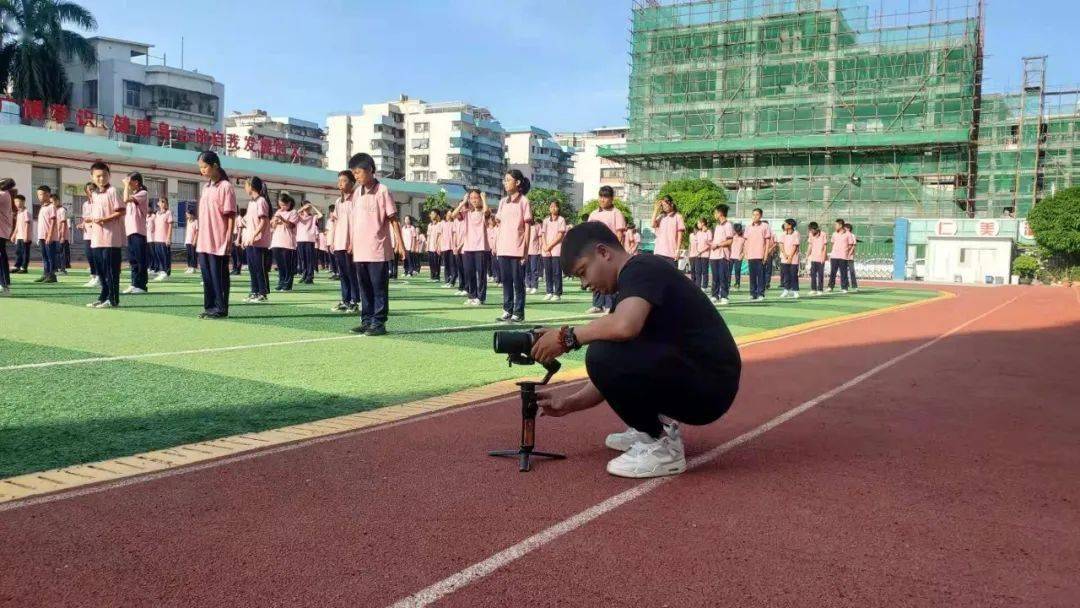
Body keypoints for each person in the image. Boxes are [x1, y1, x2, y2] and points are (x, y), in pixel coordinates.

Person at [530, 222, 741, 478]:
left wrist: (566, 338)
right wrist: (569, 404)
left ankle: (662, 448)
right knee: (604, 350)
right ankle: (648, 429)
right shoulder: (633, 284)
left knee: (600, 350)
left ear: (603, 252)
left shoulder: (642, 268)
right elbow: (613, 370)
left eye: (583, 272)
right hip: (701, 380)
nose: (585, 284)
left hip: (710, 386)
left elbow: (623, 329)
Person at [347, 152, 405, 336]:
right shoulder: (357, 193)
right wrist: (351, 242)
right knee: (364, 288)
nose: (356, 177)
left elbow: (393, 219)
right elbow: (355, 221)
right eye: (354, 173)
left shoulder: (383, 191)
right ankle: (366, 321)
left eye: (358, 172)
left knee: (378, 288)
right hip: (360, 249)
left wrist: (400, 244)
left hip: (378, 248)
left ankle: (379, 323)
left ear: (370, 169)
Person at [194, 151, 237, 319]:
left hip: (218, 239)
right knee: (207, 276)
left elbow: (230, 215)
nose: (202, 170)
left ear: (215, 166)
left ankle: (220, 308)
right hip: (204, 240)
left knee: (218, 276)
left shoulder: (226, 187)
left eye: (204, 167)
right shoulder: (206, 187)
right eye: (200, 167)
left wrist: (228, 239)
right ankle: (210, 306)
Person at [84, 161, 126, 308]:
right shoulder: (94, 194)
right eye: (98, 176)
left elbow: (121, 211)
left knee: (111, 271)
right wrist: (90, 220)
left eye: (104, 175)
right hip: (96, 238)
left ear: (109, 175)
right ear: (92, 177)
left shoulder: (112, 191)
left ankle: (113, 299)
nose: (101, 179)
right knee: (100, 271)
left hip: (110, 239)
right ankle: (103, 296)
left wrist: (104, 219)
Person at [494, 169, 533, 322]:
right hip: (503, 248)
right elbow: (499, 223)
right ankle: (507, 309)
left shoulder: (524, 201)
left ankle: (519, 312)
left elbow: (527, 227)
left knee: (518, 283)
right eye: (504, 180)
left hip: (517, 249)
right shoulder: (503, 202)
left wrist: (525, 251)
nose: (505, 182)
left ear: (517, 183)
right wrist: (497, 245)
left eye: (508, 179)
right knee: (506, 281)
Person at [587, 186, 627, 314]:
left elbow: (620, 233)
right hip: (595, 251)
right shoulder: (594, 214)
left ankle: (610, 304)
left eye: (605, 197)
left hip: (610, 250)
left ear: (611, 198)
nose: (602, 200)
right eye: (601, 196)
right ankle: (597, 304)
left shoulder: (616, 213)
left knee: (609, 279)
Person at [453, 189, 491, 306]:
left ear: (480, 198)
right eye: (472, 198)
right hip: (468, 247)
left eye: (476, 198)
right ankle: (472, 295)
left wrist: (484, 199)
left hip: (481, 247)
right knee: (469, 273)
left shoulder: (484, 211)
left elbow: (487, 213)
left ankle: (481, 297)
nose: (474, 200)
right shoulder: (466, 213)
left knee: (481, 273)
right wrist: (463, 202)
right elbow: (453, 214)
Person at [330, 172, 360, 313]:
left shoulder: (357, 199)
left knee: (352, 273)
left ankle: (355, 301)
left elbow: (358, 223)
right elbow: (335, 222)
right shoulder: (338, 202)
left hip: (351, 243)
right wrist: (332, 241)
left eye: (344, 181)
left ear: (352, 183)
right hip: (339, 242)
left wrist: (353, 242)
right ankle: (345, 300)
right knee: (343, 273)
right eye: (339, 181)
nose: (340, 184)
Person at [242, 176, 273, 303]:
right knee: (252, 268)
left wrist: (254, 235)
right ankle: (254, 291)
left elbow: (264, 221)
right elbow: (250, 223)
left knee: (260, 268)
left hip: (259, 242)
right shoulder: (251, 203)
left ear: (251, 186)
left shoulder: (261, 201)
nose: (245, 188)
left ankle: (263, 293)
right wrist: (246, 238)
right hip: (250, 241)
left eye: (245, 185)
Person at [121, 172, 150, 294]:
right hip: (130, 231)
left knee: (140, 259)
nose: (128, 183)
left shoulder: (143, 193)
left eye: (130, 181)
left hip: (139, 231)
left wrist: (126, 186)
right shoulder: (134, 194)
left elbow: (125, 199)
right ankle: (134, 283)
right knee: (132, 259)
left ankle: (142, 285)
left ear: (136, 182)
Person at [270, 192, 299, 292]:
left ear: (290, 203)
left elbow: (291, 225)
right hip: (276, 242)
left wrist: (282, 219)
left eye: (284, 205)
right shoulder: (278, 211)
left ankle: (288, 285)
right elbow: (272, 226)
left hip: (288, 243)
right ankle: (281, 282)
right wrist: (275, 221)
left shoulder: (293, 212)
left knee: (288, 266)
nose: (282, 207)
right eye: (281, 205)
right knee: (280, 265)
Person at [709, 204, 735, 305]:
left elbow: (730, 241)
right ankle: (715, 295)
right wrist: (712, 245)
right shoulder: (717, 226)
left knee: (723, 277)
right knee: (715, 277)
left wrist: (718, 245)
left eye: (715, 212)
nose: (714, 215)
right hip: (714, 255)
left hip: (723, 255)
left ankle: (724, 296)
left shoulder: (728, 225)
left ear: (720, 213)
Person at [541, 200, 567, 301]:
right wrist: (545, 246)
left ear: (558, 208)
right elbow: (543, 234)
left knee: (557, 272)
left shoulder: (561, 220)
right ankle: (549, 291)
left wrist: (550, 246)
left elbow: (560, 235)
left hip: (556, 250)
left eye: (555, 207)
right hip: (546, 250)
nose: (553, 208)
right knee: (548, 272)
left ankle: (557, 293)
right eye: (551, 206)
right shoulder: (546, 220)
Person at [744, 208, 772, 301]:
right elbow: (746, 241)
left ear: (761, 216)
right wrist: (745, 253)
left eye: (757, 215)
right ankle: (752, 293)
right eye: (753, 214)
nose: (754, 216)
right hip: (751, 255)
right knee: (752, 276)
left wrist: (765, 254)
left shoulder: (765, 226)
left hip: (760, 255)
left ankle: (761, 294)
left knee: (761, 276)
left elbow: (767, 242)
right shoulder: (748, 227)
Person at [650, 195, 684, 266]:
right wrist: (656, 210)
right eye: (662, 205)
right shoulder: (661, 217)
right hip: (659, 252)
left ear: (671, 204)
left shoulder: (678, 217)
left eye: (665, 205)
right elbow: (652, 224)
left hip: (671, 254)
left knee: (671, 276)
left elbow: (680, 235)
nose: (663, 207)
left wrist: (678, 250)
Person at [34, 185, 58, 283]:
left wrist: (49, 235)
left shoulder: (52, 206)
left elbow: (53, 222)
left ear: (47, 194)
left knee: (50, 256)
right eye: (38, 195)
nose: (39, 197)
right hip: (42, 236)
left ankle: (52, 275)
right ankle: (45, 273)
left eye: (41, 194)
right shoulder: (42, 207)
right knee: (44, 256)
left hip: (49, 237)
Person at [76, 184, 97, 285]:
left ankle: (99, 277)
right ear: (86, 192)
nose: (92, 191)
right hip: (87, 233)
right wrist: (82, 224)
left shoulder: (99, 202)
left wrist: (93, 220)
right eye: (90, 190)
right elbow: (85, 218)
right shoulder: (85, 204)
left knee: (96, 255)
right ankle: (93, 276)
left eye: (94, 189)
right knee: (89, 255)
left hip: (98, 233)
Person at [296, 201, 322, 285]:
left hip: (310, 240)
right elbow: (295, 214)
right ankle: (304, 275)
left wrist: (312, 206)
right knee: (302, 260)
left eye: (308, 208)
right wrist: (303, 208)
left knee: (309, 260)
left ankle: (310, 277)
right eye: (306, 208)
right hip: (300, 240)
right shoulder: (299, 216)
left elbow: (320, 215)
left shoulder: (313, 217)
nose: (307, 209)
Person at [827, 218, 852, 293]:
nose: (835, 226)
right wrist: (832, 253)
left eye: (836, 225)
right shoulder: (834, 234)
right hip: (834, 256)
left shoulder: (848, 234)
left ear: (841, 225)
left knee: (843, 272)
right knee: (832, 272)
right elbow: (833, 243)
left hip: (843, 256)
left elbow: (850, 245)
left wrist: (846, 251)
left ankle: (844, 287)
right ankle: (830, 287)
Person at [778, 219, 800, 299]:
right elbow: (781, 244)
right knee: (786, 275)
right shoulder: (783, 234)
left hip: (793, 258)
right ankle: (786, 290)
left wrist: (790, 256)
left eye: (786, 224)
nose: (785, 225)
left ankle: (795, 291)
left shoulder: (796, 233)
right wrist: (784, 254)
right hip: (784, 258)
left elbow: (795, 245)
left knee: (793, 275)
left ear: (790, 225)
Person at [152, 199, 173, 281]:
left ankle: (166, 272)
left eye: (164, 202)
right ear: (158, 203)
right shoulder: (157, 214)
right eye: (161, 202)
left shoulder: (168, 213)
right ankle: (161, 271)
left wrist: (168, 237)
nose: (163, 203)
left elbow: (170, 226)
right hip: (157, 238)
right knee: (158, 255)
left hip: (164, 239)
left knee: (165, 256)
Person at [0, 178, 14, 295]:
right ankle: (5, 284)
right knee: (2, 258)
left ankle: (4, 286)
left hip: (1, 231)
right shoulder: (6, 194)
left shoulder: (3, 194)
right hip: (2, 231)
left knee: (1, 259)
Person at [12, 194, 32, 274]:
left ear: (23, 202)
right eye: (15, 202)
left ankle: (24, 268)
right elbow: (17, 226)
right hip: (19, 237)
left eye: (18, 201)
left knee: (25, 253)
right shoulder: (19, 213)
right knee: (18, 252)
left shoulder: (26, 212)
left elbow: (27, 224)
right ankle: (17, 266)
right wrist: (14, 235)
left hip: (25, 237)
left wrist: (26, 236)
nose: (17, 203)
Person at [691, 218, 712, 291]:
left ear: (703, 223)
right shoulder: (698, 233)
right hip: (698, 255)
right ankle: (697, 286)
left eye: (698, 223)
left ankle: (704, 286)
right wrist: (697, 251)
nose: (697, 225)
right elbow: (696, 244)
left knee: (704, 271)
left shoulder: (708, 232)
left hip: (705, 255)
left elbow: (709, 244)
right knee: (698, 271)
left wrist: (701, 251)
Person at [806, 222, 827, 296]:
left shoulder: (823, 234)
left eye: (811, 230)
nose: (810, 231)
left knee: (820, 274)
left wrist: (823, 257)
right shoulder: (811, 235)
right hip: (813, 258)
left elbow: (824, 247)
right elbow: (810, 245)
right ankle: (813, 289)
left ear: (816, 228)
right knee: (813, 274)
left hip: (820, 258)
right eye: (810, 230)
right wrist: (807, 255)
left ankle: (820, 289)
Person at [526, 218, 543, 295]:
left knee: (534, 269)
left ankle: (534, 286)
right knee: (527, 269)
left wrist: (540, 248)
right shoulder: (525, 225)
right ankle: (528, 285)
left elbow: (540, 238)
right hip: (525, 251)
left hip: (534, 251)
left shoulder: (537, 226)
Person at [54, 194, 70, 275]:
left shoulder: (62, 210)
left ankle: (63, 269)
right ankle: (56, 268)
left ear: (57, 201)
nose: (52, 203)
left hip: (62, 236)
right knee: (56, 253)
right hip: (55, 236)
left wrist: (62, 236)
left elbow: (63, 223)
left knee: (62, 253)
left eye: (53, 201)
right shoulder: (53, 210)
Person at [426, 209, 443, 283]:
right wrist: (427, 245)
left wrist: (438, 245)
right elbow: (428, 236)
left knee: (436, 262)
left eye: (433, 214)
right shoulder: (429, 225)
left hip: (436, 247)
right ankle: (432, 276)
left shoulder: (440, 224)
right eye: (431, 214)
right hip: (430, 246)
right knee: (431, 262)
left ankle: (437, 276)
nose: (432, 215)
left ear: (437, 215)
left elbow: (440, 235)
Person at [844, 222, 859, 292]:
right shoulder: (843, 235)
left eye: (845, 228)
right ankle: (845, 286)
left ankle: (854, 286)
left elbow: (853, 245)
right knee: (844, 272)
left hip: (850, 257)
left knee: (852, 271)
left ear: (848, 229)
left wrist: (849, 254)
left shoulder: (852, 235)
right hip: (843, 256)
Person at [730, 223, 745, 290]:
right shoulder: (732, 236)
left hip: (738, 257)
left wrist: (742, 255)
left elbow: (745, 247)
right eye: (737, 230)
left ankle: (737, 283)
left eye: (739, 230)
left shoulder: (744, 237)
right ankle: (727, 283)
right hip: (730, 256)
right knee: (728, 271)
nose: (738, 232)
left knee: (737, 271)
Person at [183, 209, 199, 274]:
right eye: (186, 214)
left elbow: (197, 231)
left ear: (192, 215)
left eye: (188, 214)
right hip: (188, 240)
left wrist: (195, 240)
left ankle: (194, 268)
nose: (187, 215)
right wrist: (185, 240)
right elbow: (187, 231)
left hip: (193, 241)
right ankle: (189, 267)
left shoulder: (196, 221)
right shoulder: (188, 221)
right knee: (188, 255)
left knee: (193, 255)